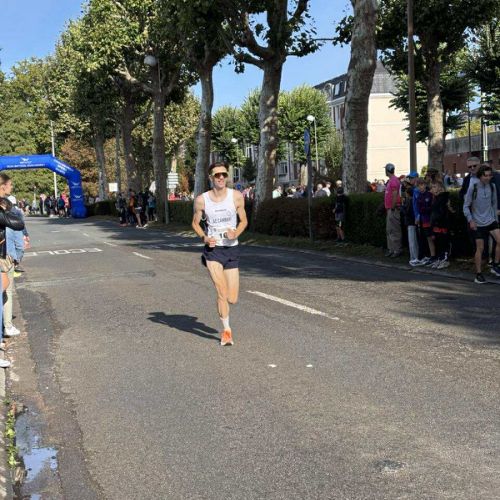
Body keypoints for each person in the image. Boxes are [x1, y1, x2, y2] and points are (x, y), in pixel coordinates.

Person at [192, 163, 248, 346]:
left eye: (224, 174)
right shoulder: (202, 200)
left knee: (233, 298)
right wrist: (205, 238)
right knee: (221, 292)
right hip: (213, 251)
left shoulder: (236, 196)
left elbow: (244, 221)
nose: (221, 177)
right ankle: (227, 331)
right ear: (211, 178)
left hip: (231, 249)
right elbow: (195, 223)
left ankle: (226, 322)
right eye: (217, 175)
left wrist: (236, 233)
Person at [463, 164, 500, 283]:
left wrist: (495, 219)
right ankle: (478, 274)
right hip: (477, 222)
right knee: (480, 248)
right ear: (480, 176)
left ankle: (495, 265)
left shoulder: (492, 187)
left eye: (490, 175)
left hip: (490, 220)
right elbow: (466, 206)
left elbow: (494, 204)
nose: (488, 178)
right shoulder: (473, 187)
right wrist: (470, 220)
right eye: (485, 176)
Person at [415, 178, 437, 266]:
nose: (421, 187)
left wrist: (426, 209)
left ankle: (435, 255)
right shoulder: (419, 197)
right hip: (424, 220)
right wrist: (425, 209)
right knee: (428, 238)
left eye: (422, 185)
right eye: (419, 186)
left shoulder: (429, 194)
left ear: (425, 185)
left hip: (431, 219)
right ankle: (432, 256)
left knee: (433, 237)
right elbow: (420, 209)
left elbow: (432, 207)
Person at [429, 182, 451, 269]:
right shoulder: (435, 198)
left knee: (443, 243)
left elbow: (441, 213)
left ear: (440, 188)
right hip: (436, 224)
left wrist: (437, 221)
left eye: (434, 187)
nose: (432, 189)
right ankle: (439, 258)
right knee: (438, 243)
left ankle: (445, 260)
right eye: (432, 187)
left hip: (442, 225)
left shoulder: (443, 199)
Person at [384, 163, 402, 257]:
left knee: (394, 230)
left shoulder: (394, 180)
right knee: (389, 230)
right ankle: (391, 249)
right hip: (390, 209)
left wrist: (393, 207)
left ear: (387, 170)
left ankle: (396, 250)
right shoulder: (391, 180)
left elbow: (395, 194)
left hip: (393, 209)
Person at [401, 172, 420, 265]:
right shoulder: (413, 190)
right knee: (412, 239)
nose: (411, 180)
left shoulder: (414, 190)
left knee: (413, 240)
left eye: (412, 178)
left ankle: (415, 257)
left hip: (413, 219)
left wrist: (403, 206)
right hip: (412, 219)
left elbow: (410, 208)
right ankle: (414, 257)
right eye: (410, 178)